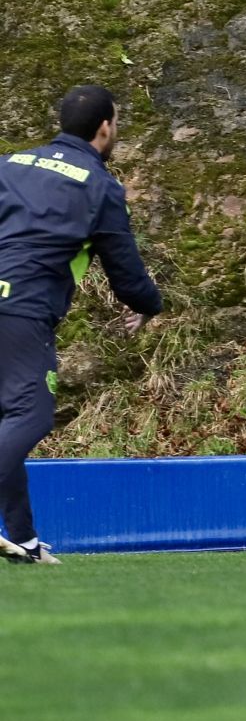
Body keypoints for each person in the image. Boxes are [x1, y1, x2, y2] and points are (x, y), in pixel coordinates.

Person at [0, 86, 165, 564]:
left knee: (7, 424)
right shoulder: (100, 186)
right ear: (106, 128)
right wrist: (149, 305)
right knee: (30, 416)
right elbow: (126, 271)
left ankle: (25, 542)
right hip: (22, 309)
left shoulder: (9, 163)